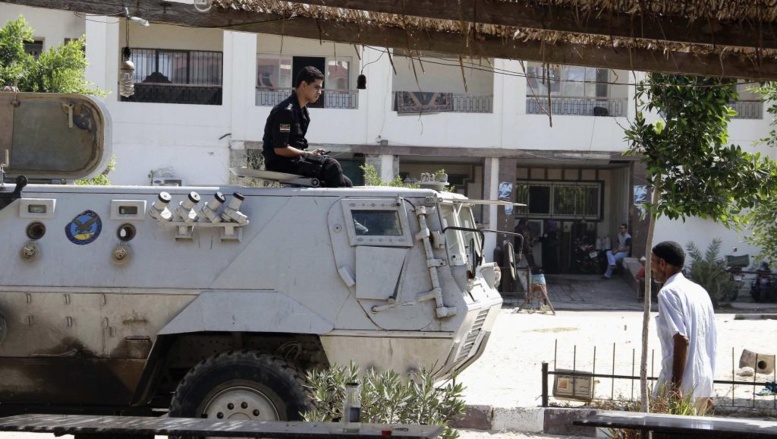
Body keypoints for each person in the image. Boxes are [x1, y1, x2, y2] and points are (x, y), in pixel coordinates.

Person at [651, 241, 717, 414]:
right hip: (702, 381)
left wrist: (674, 388)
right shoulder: (699, 291)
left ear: (662, 264)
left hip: (682, 384)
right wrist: (709, 385)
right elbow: (711, 341)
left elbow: (681, 339)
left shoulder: (668, 292)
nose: (651, 268)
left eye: (652, 262)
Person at [262, 66, 352, 187]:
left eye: (321, 88)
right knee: (332, 166)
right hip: (279, 163)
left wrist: (310, 153)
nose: (320, 92)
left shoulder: (303, 112)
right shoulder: (286, 111)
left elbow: (296, 145)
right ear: (304, 85)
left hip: (294, 160)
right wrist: (307, 154)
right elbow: (280, 149)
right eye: (316, 87)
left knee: (346, 182)